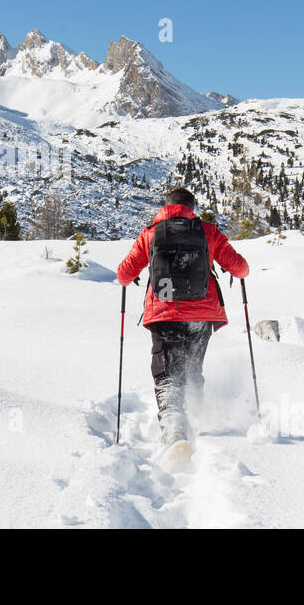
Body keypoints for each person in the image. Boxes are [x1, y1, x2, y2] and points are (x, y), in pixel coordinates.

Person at [116, 187, 250, 465]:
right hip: (202, 314)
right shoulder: (207, 232)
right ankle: (195, 421)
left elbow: (124, 274)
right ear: (192, 207)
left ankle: (175, 432)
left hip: (164, 312)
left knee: (167, 374)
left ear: (166, 206)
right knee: (192, 368)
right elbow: (240, 268)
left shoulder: (151, 233)